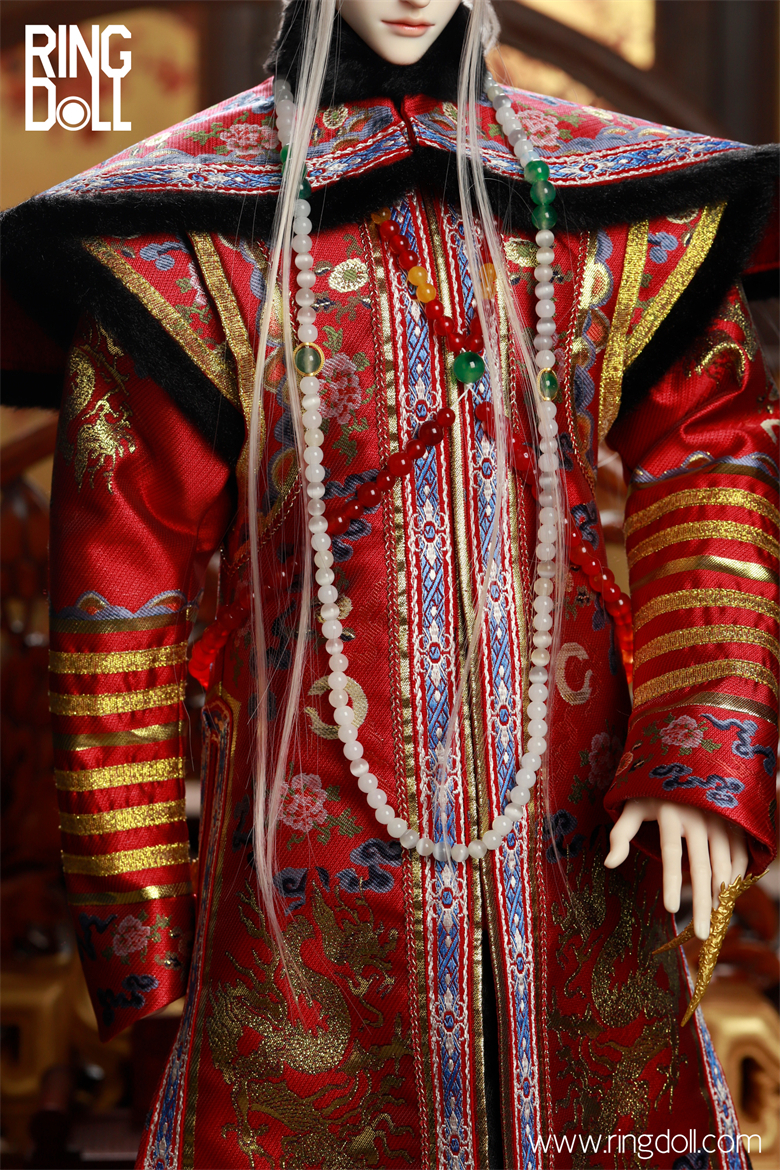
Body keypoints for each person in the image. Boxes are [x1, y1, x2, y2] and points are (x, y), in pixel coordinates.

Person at [1, 1, 777, 1166]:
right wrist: (136, 911)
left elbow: (712, 452)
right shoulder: (202, 231)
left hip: (578, 823)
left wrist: (703, 745)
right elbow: (120, 579)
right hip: (303, 840)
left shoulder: (600, 208)